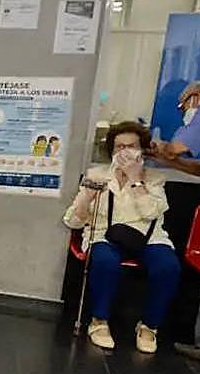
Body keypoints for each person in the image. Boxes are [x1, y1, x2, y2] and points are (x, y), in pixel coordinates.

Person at [65, 121, 179, 353]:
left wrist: (136, 180)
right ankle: (99, 322)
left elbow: (151, 212)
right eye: (119, 147)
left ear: (142, 149)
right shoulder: (97, 175)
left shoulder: (155, 178)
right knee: (104, 261)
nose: (125, 152)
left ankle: (149, 326)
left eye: (131, 146)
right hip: (105, 235)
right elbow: (73, 221)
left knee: (168, 267)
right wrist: (87, 196)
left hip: (147, 238)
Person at [151, 80, 200, 361]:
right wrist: (168, 161)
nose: (185, 112)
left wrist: (161, 150)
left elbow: (177, 147)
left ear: (196, 96)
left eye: (184, 105)